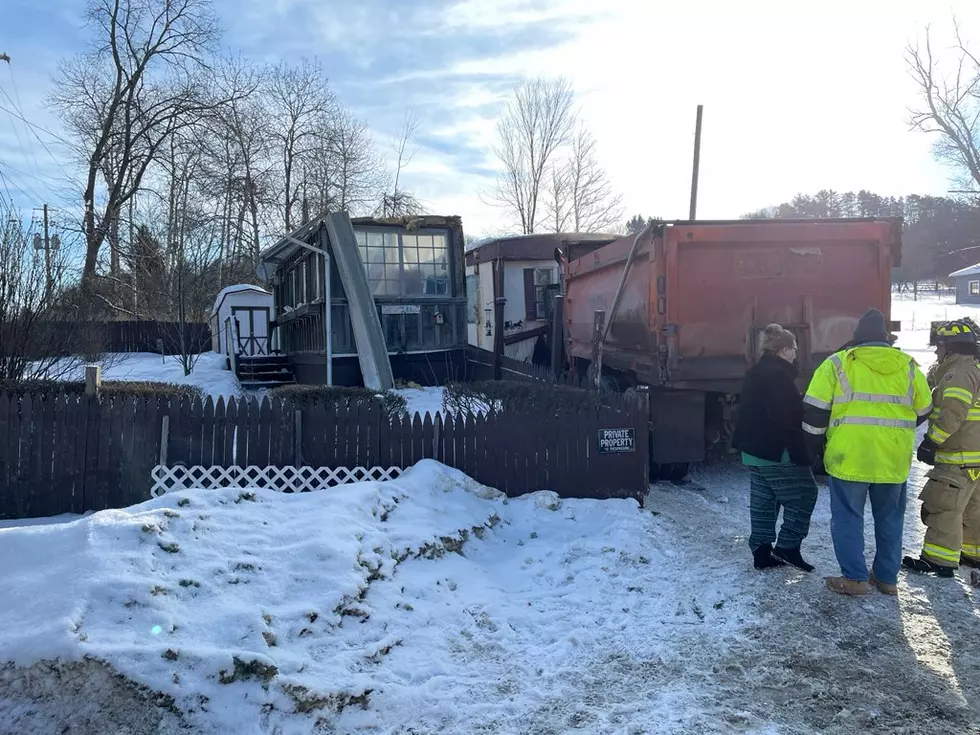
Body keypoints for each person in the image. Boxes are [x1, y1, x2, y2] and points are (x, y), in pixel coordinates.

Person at [802, 308, 932, 596]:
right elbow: (924, 410)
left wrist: (814, 451)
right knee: (890, 519)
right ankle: (887, 579)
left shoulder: (837, 363)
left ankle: (855, 579)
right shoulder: (909, 366)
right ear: (886, 338)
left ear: (857, 338)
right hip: (893, 459)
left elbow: (813, 413)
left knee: (848, 516)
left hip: (849, 458)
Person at [732, 324, 818, 571]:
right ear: (783, 350)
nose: (796, 354)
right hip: (774, 451)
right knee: (805, 494)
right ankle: (787, 548)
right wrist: (803, 451)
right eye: (793, 349)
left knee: (764, 499)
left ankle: (761, 552)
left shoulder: (758, 370)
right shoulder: (778, 376)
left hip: (753, 450)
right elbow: (787, 418)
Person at [903, 319, 980, 578]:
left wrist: (931, 441)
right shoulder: (974, 368)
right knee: (972, 508)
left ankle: (938, 560)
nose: (936, 352)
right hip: (974, 456)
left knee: (945, 506)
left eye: (938, 347)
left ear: (949, 346)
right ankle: (971, 553)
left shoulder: (957, 373)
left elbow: (952, 414)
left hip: (957, 455)